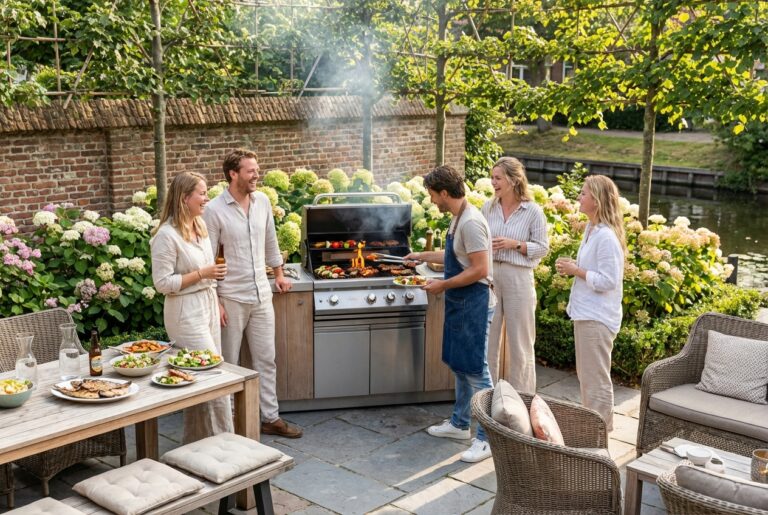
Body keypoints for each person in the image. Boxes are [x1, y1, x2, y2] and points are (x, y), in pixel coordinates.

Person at [203, 149, 302, 438]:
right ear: (233, 174)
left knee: (266, 359)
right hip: (230, 297)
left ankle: (270, 418)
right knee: (229, 363)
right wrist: (216, 300)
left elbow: (270, 241)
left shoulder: (263, 202)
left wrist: (280, 275)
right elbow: (207, 258)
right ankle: (229, 426)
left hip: (261, 294)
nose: (256, 175)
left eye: (256, 169)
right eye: (250, 171)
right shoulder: (214, 210)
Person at [406, 165, 495, 463]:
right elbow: (453, 258)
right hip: (461, 301)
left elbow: (481, 269)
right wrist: (420, 256)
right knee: (460, 365)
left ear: (444, 192)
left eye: (432, 195)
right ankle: (459, 424)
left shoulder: (470, 222)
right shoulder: (458, 218)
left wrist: (442, 284)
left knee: (477, 371)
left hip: (476, 302)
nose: (431, 200)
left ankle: (487, 439)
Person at [150, 172, 233, 443]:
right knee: (215, 376)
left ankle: (197, 445)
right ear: (185, 198)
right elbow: (162, 283)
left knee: (201, 381)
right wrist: (203, 273)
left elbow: (209, 272)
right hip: (184, 311)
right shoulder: (166, 235)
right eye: (202, 193)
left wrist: (217, 299)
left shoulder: (199, 225)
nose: (206, 198)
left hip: (207, 304)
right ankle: (228, 445)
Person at [555, 174, 625, 432]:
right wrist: (574, 268)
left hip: (597, 318)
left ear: (596, 200)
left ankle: (599, 436)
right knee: (588, 378)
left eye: (583, 193)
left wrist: (577, 271)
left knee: (595, 380)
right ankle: (592, 432)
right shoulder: (591, 229)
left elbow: (609, 280)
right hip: (586, 314)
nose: (579, 197)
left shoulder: (606, 237)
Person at [481, 157, 549, 394]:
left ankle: (523, 399)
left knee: (521, 343)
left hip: (518, 277)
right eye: (492, 178)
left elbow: (542, 248)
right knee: (488, 340)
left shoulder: (532, 211)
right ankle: (487, 397)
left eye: (498, 178)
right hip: (490, 276)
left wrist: (515, 244)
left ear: (514, 179)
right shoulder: (487, 208)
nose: (493, 182)